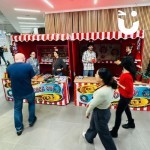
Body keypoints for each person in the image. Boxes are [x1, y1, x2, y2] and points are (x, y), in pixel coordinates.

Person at [82, 68, 117, 150]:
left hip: (100, 114)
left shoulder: (102, 92)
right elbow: (96, 100)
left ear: (101, 78)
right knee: (93, 125)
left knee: (104, 134)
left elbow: (93, 104)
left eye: (96, 74)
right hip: (104, 110)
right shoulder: (109, 85)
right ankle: (89, 136)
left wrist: (87, 112)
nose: (95, 75)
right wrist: (91, 102)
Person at [7, 53, 37, 136]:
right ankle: (31, 121)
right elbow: (33, 77)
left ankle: (19, 129)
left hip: (16, 92)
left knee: (17, 109)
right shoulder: (28, 66)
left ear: (15, 59)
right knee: (31, 104)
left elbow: (10, 78)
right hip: (28, 91)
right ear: (23, 58)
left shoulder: (9, 68)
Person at [110, 57, 136, 138]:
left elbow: (129, 89)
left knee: (118, 113)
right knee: (126, 109)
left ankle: (114, 132)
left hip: (126, 97)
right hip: (125, 96)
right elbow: (123, 81)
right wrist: (117, 79)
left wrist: (118, 83)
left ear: (124, 64)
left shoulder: (127, 75)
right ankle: (131, 123)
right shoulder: (125, 72)